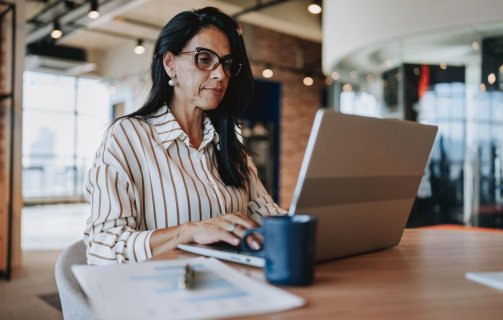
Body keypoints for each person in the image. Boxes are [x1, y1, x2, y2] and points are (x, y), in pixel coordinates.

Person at [83, 7, 286, 265]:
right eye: (204, 59)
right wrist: (189, 231)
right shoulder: (128, 137)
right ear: (170, 64)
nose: (220, 74)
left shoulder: (231, 146)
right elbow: (102, 247)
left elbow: (269, 215)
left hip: (236, 285)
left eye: (226, 63)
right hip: (166, 292)